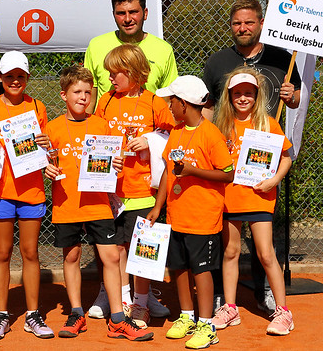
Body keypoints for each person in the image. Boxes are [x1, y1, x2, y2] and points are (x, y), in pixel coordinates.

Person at [202, 0, 301, 315]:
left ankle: (268, 296)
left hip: (263, 171)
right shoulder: (217, 62)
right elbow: (205, 106)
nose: (243, 28)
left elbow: (297, 97)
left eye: (249, 22)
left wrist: (293, 95)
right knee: (228, 247)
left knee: (264, 248)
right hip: (230, 173)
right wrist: (210, 141)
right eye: (237, 23)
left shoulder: (282, 58)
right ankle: (226, 302)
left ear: (260, 24)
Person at [45, 66, 154, 341]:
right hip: (67, 204)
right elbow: (46, 164)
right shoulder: (53, 128)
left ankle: (118, 318)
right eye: (76, 92)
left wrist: (117, 164)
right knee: (71, 256)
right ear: (63, 95)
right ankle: (76, 312)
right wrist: (47, 169)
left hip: (98, 204)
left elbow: (114, 165)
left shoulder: (101, 125)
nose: (83, 97)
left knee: (111, 256)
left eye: (87, 92)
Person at [147, 75, 234, 349]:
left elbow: (228, 173)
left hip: (203, 218)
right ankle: (186, 317)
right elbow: (168, 175)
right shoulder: (176, 131)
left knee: (201, 270)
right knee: (179, 267)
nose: (168, 106)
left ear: (184, 104)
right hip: (176, 215)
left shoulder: (211, 134)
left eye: (171, 101)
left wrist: (193, 171)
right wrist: (158, 207)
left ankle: (207, 325)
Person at [94, 44, 176, 328]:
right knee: (116, 249)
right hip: (113, 190)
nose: (110, 79)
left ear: (133, 72)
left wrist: (151, 139)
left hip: (143, 191)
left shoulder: (154, 101)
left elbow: (173, 134)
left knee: (142, 249)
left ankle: (142, 300)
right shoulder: (105, 101)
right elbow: (97, 135)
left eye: (115, 73)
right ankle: (123, 297)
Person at [0, 51, 54, 340]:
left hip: (32, 190)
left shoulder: (38, 107)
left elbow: (46, 148)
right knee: (2, 252)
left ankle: (32, 314)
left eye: (20, 76)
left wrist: (46, 144)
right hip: (2, 192)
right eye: (9, 76)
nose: (15, 81)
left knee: (30, 252)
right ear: (0, 78)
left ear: (28, 78)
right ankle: (1, 314)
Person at [211, 68, 294, 336]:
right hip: (229, 198)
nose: (243, 98)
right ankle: (230, 307)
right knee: (231, 252)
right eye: (238, 93)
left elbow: (287, 157)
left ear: (256, 96)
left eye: (248, 93)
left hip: (259, 196)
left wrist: (274, 181)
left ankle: (283, 312)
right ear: (229, 96)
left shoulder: (268, 123)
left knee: (265, 253)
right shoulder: (220, 126)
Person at [85, 0, 178, 111]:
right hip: (106, 128)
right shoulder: (96, 46)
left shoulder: (163, 50)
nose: (128, 19)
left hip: (148, 128)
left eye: (133, 12)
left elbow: (167, 102)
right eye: (121, 13)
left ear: (145, 13)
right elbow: (89, 98)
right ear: (113, 15)